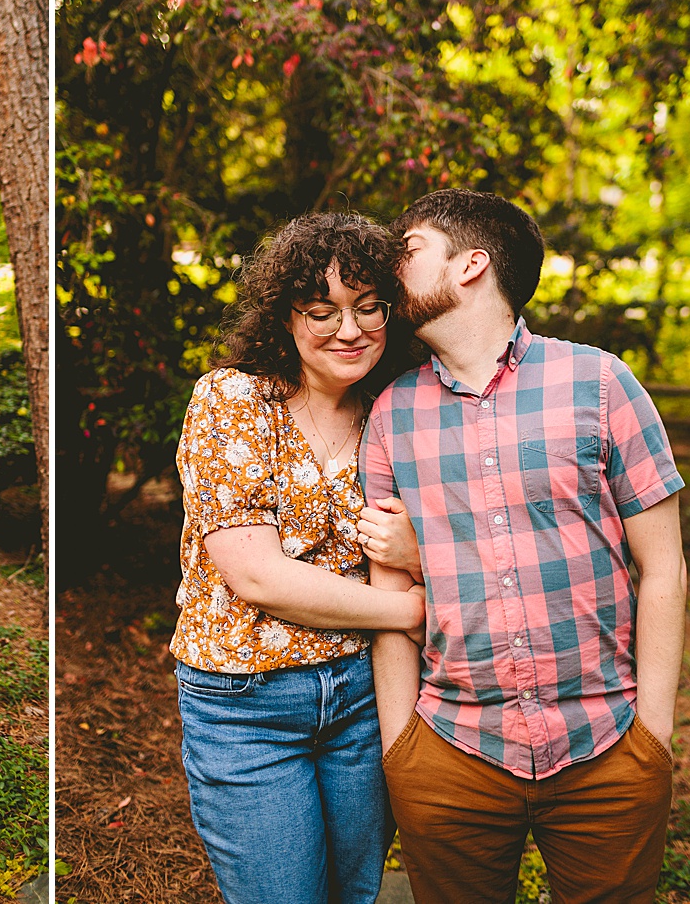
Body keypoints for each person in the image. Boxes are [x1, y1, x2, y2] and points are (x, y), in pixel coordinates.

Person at [361, 189, 686, 903]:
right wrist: (401, 751)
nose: (389, 267)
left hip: (606, 744)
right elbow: (388, 594)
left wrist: (652, 740)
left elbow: (663, 568)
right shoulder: (391, 413)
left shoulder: (602, 383)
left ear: (472, 264)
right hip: (450, 753)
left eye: (408, 250)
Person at [170, 212, 429, 904]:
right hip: (247, 704)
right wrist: (411, 608)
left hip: (366, 694)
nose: (351, 330)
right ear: (285, 316)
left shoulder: (397, 410)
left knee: (355, 894)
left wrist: (418, 555)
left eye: (369, 308)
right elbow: (257, 574)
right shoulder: (233, 400)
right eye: (323, 311)